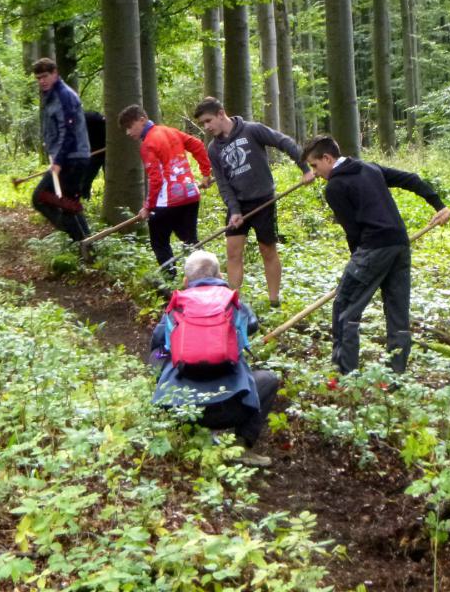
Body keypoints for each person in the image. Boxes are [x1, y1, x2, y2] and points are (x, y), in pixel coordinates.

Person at [301, 135, 450, 374]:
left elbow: (353, 232)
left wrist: (358, 267)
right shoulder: (369, 168)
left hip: (373, 248)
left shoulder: (335, 187)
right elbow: (411, 179)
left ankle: (344, 375)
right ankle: (396, 375)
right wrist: (439, 205)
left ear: (328, 158)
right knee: (397, 311)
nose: (315, 172)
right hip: (400, 244)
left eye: (314, 165)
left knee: (344, 308)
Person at [150, 250, 279, 466]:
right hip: (230, 408)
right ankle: (241, 448)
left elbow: (156, 351)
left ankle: (187, 437)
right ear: (220, 276)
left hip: (182, 408)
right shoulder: (232, 303)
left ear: (185, 280)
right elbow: (253, 327)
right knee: (269, 379)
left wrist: (166, 355)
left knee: (159, 359)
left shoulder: (176, 307)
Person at [193, 97, 314, 307]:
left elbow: (283, 142)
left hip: (263, 201)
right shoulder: (214, 149)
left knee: (267, 249)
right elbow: (223, 184)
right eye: (203, 123)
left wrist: (305, 169)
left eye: (208, 120)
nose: (207, 126)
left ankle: (274, 300)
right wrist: (234, 210)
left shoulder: (252, 130)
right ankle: (232, 302)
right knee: (233, 251)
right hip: (238, 206)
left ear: (221, 114)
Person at [118, 104, 213, 275]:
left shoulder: (147, 144)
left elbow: (156, 180)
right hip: (191, 195)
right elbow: (197, 145)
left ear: (142, 120)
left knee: (159, 241)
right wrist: (205, 173)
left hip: (168, 201)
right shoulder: (171, 131)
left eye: (130, 127)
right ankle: (207, 276)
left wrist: (148, 207)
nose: (128, 132)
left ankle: (169, 281)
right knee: (190, 241)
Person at [31, 57, 91, 241]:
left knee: (40, 197)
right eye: (39, 78)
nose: (42, 81)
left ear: (55, 73)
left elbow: (69, 131)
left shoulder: (64, 96)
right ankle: (85, 245)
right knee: (68, 204)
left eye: (45, 76)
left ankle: (82, 241)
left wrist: (58, 162)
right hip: (67, 157)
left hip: (72, 159)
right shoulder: (50, 96)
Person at [81, 110, 106, 199]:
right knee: (85, 179)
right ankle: (85, 199)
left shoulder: (91, 117)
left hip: (108, 151)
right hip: (93, 154)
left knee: (110, 178)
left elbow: (105, 121)